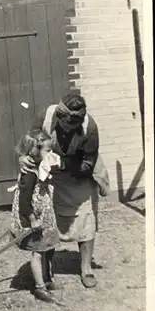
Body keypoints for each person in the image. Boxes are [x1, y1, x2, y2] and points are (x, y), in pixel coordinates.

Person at [19, 93, 104, 288]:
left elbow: (88, 164)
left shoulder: (89, 129)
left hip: (79, 174)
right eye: (65, 126)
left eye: (73, 128)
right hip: (50, 176)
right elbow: (29, 144)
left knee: (85, 218)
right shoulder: (46, 116)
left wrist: (64, 165)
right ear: (59, 116)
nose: (67, 132)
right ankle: (47, 269)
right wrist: (24, 158)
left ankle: (86, 268)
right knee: (49, 220)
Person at [11, 128, 62, 302]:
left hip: (44, 216)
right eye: (48, 150)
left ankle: (47, 278)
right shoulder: (29, 176)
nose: (51, 153)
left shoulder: (40, 166)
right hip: (34, 218)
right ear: (34, 151)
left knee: (48, 247)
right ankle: (39, 287)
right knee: (38, 252)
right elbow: (24, 203)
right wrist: (32, 219)